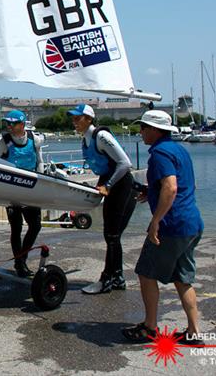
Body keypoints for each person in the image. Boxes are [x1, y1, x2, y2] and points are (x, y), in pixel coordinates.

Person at [122, 110, 204, 344]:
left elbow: (171, 187)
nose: (141, 132)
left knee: (146, 273)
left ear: (156, 130)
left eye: (144, 127)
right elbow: (187, 185)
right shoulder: (180, 150)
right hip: (192, 223)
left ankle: (149, 327)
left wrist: (156, 221)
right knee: (182, 279)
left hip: (171, 225)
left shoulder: (159, 153)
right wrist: (152, 192)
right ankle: (193, 331)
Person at [68, 103, 136, 295]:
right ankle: (118, 278)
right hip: (110, 183)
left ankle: (106, 279)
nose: (75, 122)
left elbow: (125, 164)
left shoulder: (101, 136)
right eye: (73, 118)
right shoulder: (85, 140)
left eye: (78, 118)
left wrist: (108, 185)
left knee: (112, 235)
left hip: (121, 185)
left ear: (89, 119)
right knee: (113, 236)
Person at [0, 110, 44, 277]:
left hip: (31, 190)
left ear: (22, 124)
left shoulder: (34, 140)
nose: (9, 126)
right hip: (11, 192)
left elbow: (40, 161)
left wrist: (41, 182)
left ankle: (22, 258)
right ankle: (19, 263)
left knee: (35, 226)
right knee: (16, 228)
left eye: (13, 123)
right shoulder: (3, 143)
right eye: (7, 123)